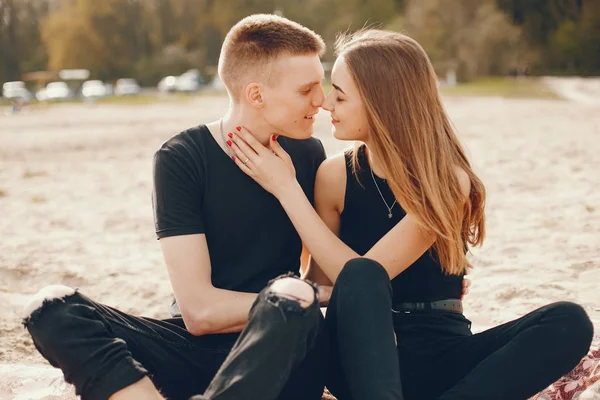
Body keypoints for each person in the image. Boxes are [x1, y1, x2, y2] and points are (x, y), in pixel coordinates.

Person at [227, 29, 594, 400]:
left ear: (380, 103)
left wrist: (287, 189)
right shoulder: (334, 177)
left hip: (442, 352)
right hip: (357, 357)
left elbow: (372, 270)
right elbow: (325, 282)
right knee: (361, 278)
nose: (326, 105)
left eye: (340, 95)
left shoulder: (448, 181)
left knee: (568, 321)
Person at [21, 14, 332, 400]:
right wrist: (295, 298)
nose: (322, 100)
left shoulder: (309, 154)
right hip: (192, 351)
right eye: (307, 89)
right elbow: (199, 312)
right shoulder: (182, 157)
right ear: (256, 94)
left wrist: (291, 298)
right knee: (51, 307)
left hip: (283, 349)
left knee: (293, 299)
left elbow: (320, 279)